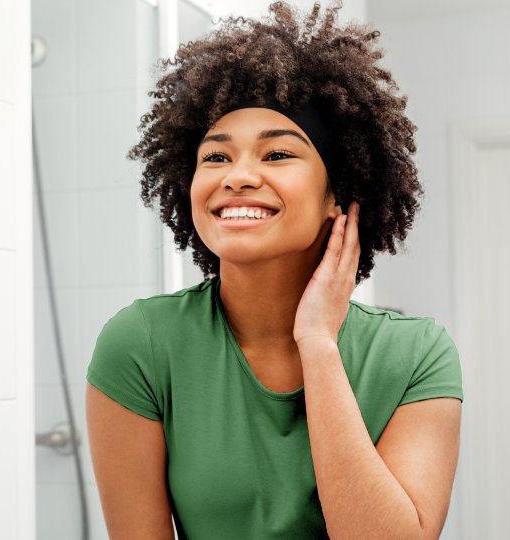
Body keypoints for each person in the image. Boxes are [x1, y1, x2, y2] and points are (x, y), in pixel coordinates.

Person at [85, 2, 463, 538]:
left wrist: (318, 344)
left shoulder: (416, 355)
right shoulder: (142, 343)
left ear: (338, 192)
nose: (237, 177)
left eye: (278, 155)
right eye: (215, 158)